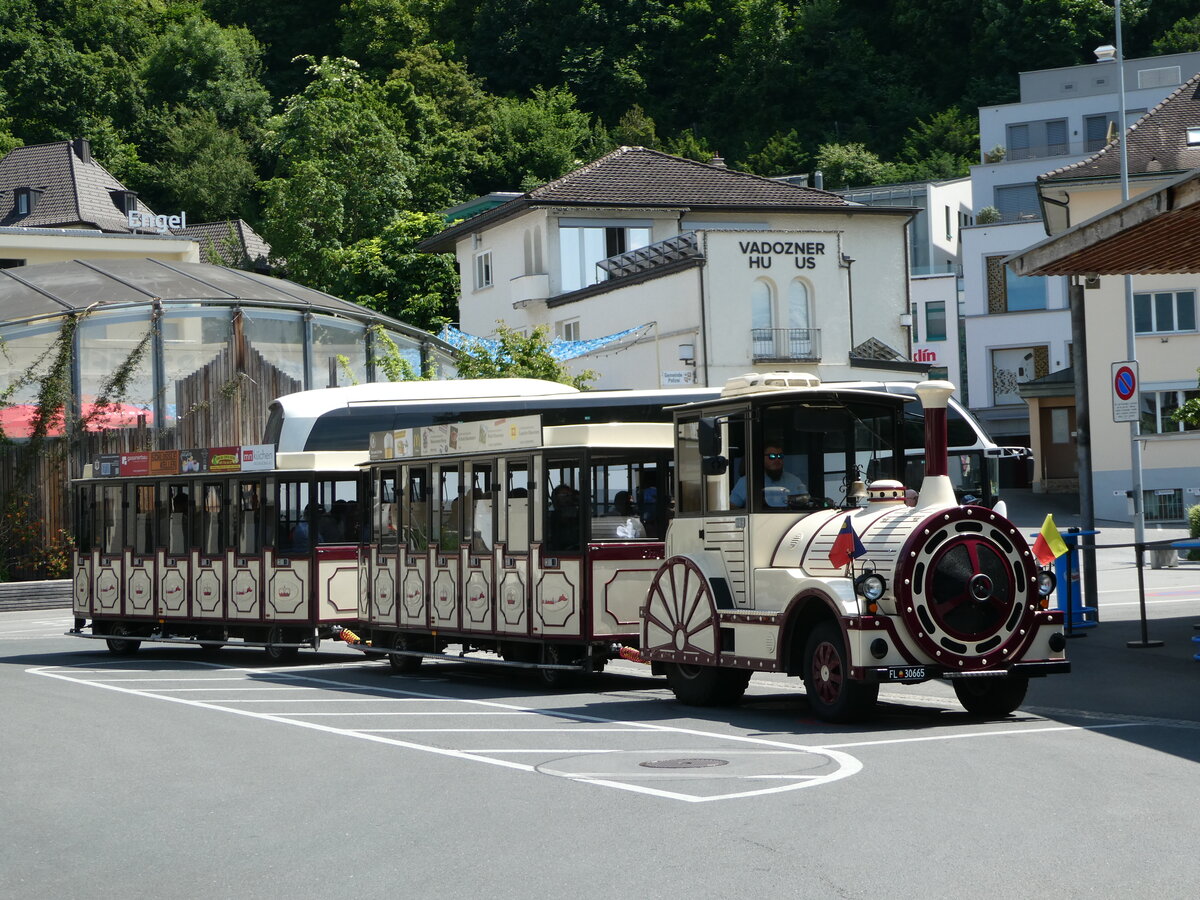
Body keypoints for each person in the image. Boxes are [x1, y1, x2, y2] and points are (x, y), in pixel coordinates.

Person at [730, 444, 808, 509]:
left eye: (780, 456)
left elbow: (805, 502)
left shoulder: (793, 480)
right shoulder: (747, 481)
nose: (777, 460)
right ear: (761, 458)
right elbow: (732, 505)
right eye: (772, 456)